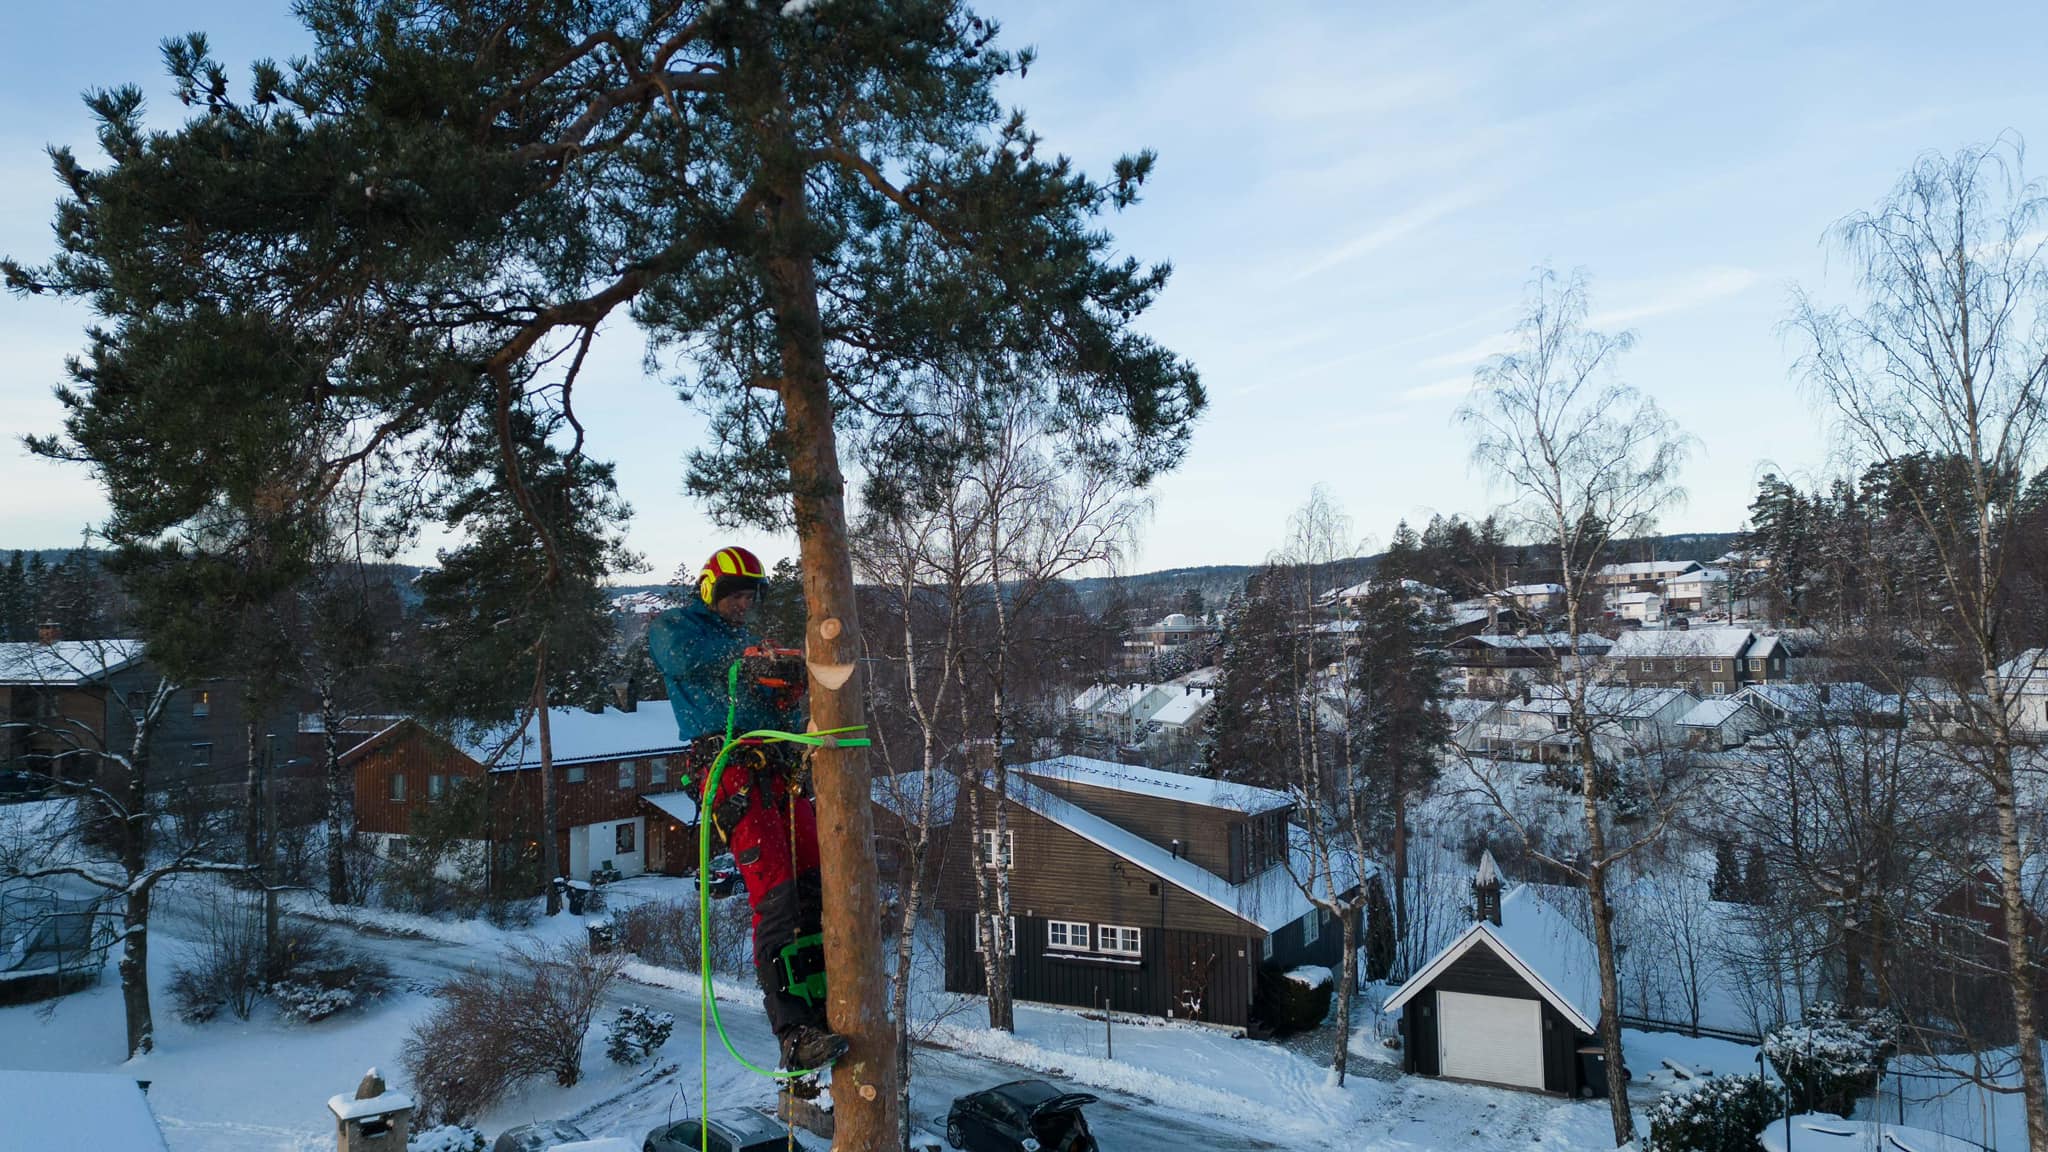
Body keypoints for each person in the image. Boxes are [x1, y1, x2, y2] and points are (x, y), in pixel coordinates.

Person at [647, 545, 848, 1071]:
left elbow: (761, 697)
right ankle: (793, 1031)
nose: (742, 605)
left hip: (776, 766)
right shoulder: (677, 627)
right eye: (734, 595)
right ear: (711, 589)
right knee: (776, 893)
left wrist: (786, 684)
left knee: (815, 881)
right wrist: (747, 661)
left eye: (749, 597)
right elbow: (683, 659)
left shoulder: (742, 642)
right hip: (731, 770)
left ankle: (826, 1005)